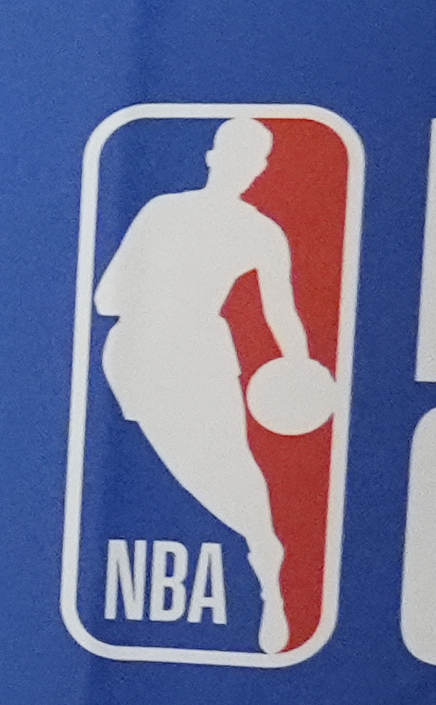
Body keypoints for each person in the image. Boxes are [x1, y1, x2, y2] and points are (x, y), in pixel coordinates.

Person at [93, 115, 308, 655]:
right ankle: (262, 547)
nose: (242, 167)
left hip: (196, 356)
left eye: (250, 159)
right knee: (189, 468)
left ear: (258, 169)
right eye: (236, 155)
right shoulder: (164, 211)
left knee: (228, 464)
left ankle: (266, 564)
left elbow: (282, 313)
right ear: (214, 156)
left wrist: (300, 370)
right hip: (140, 359)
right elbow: (105, 298)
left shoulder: (258, 232)